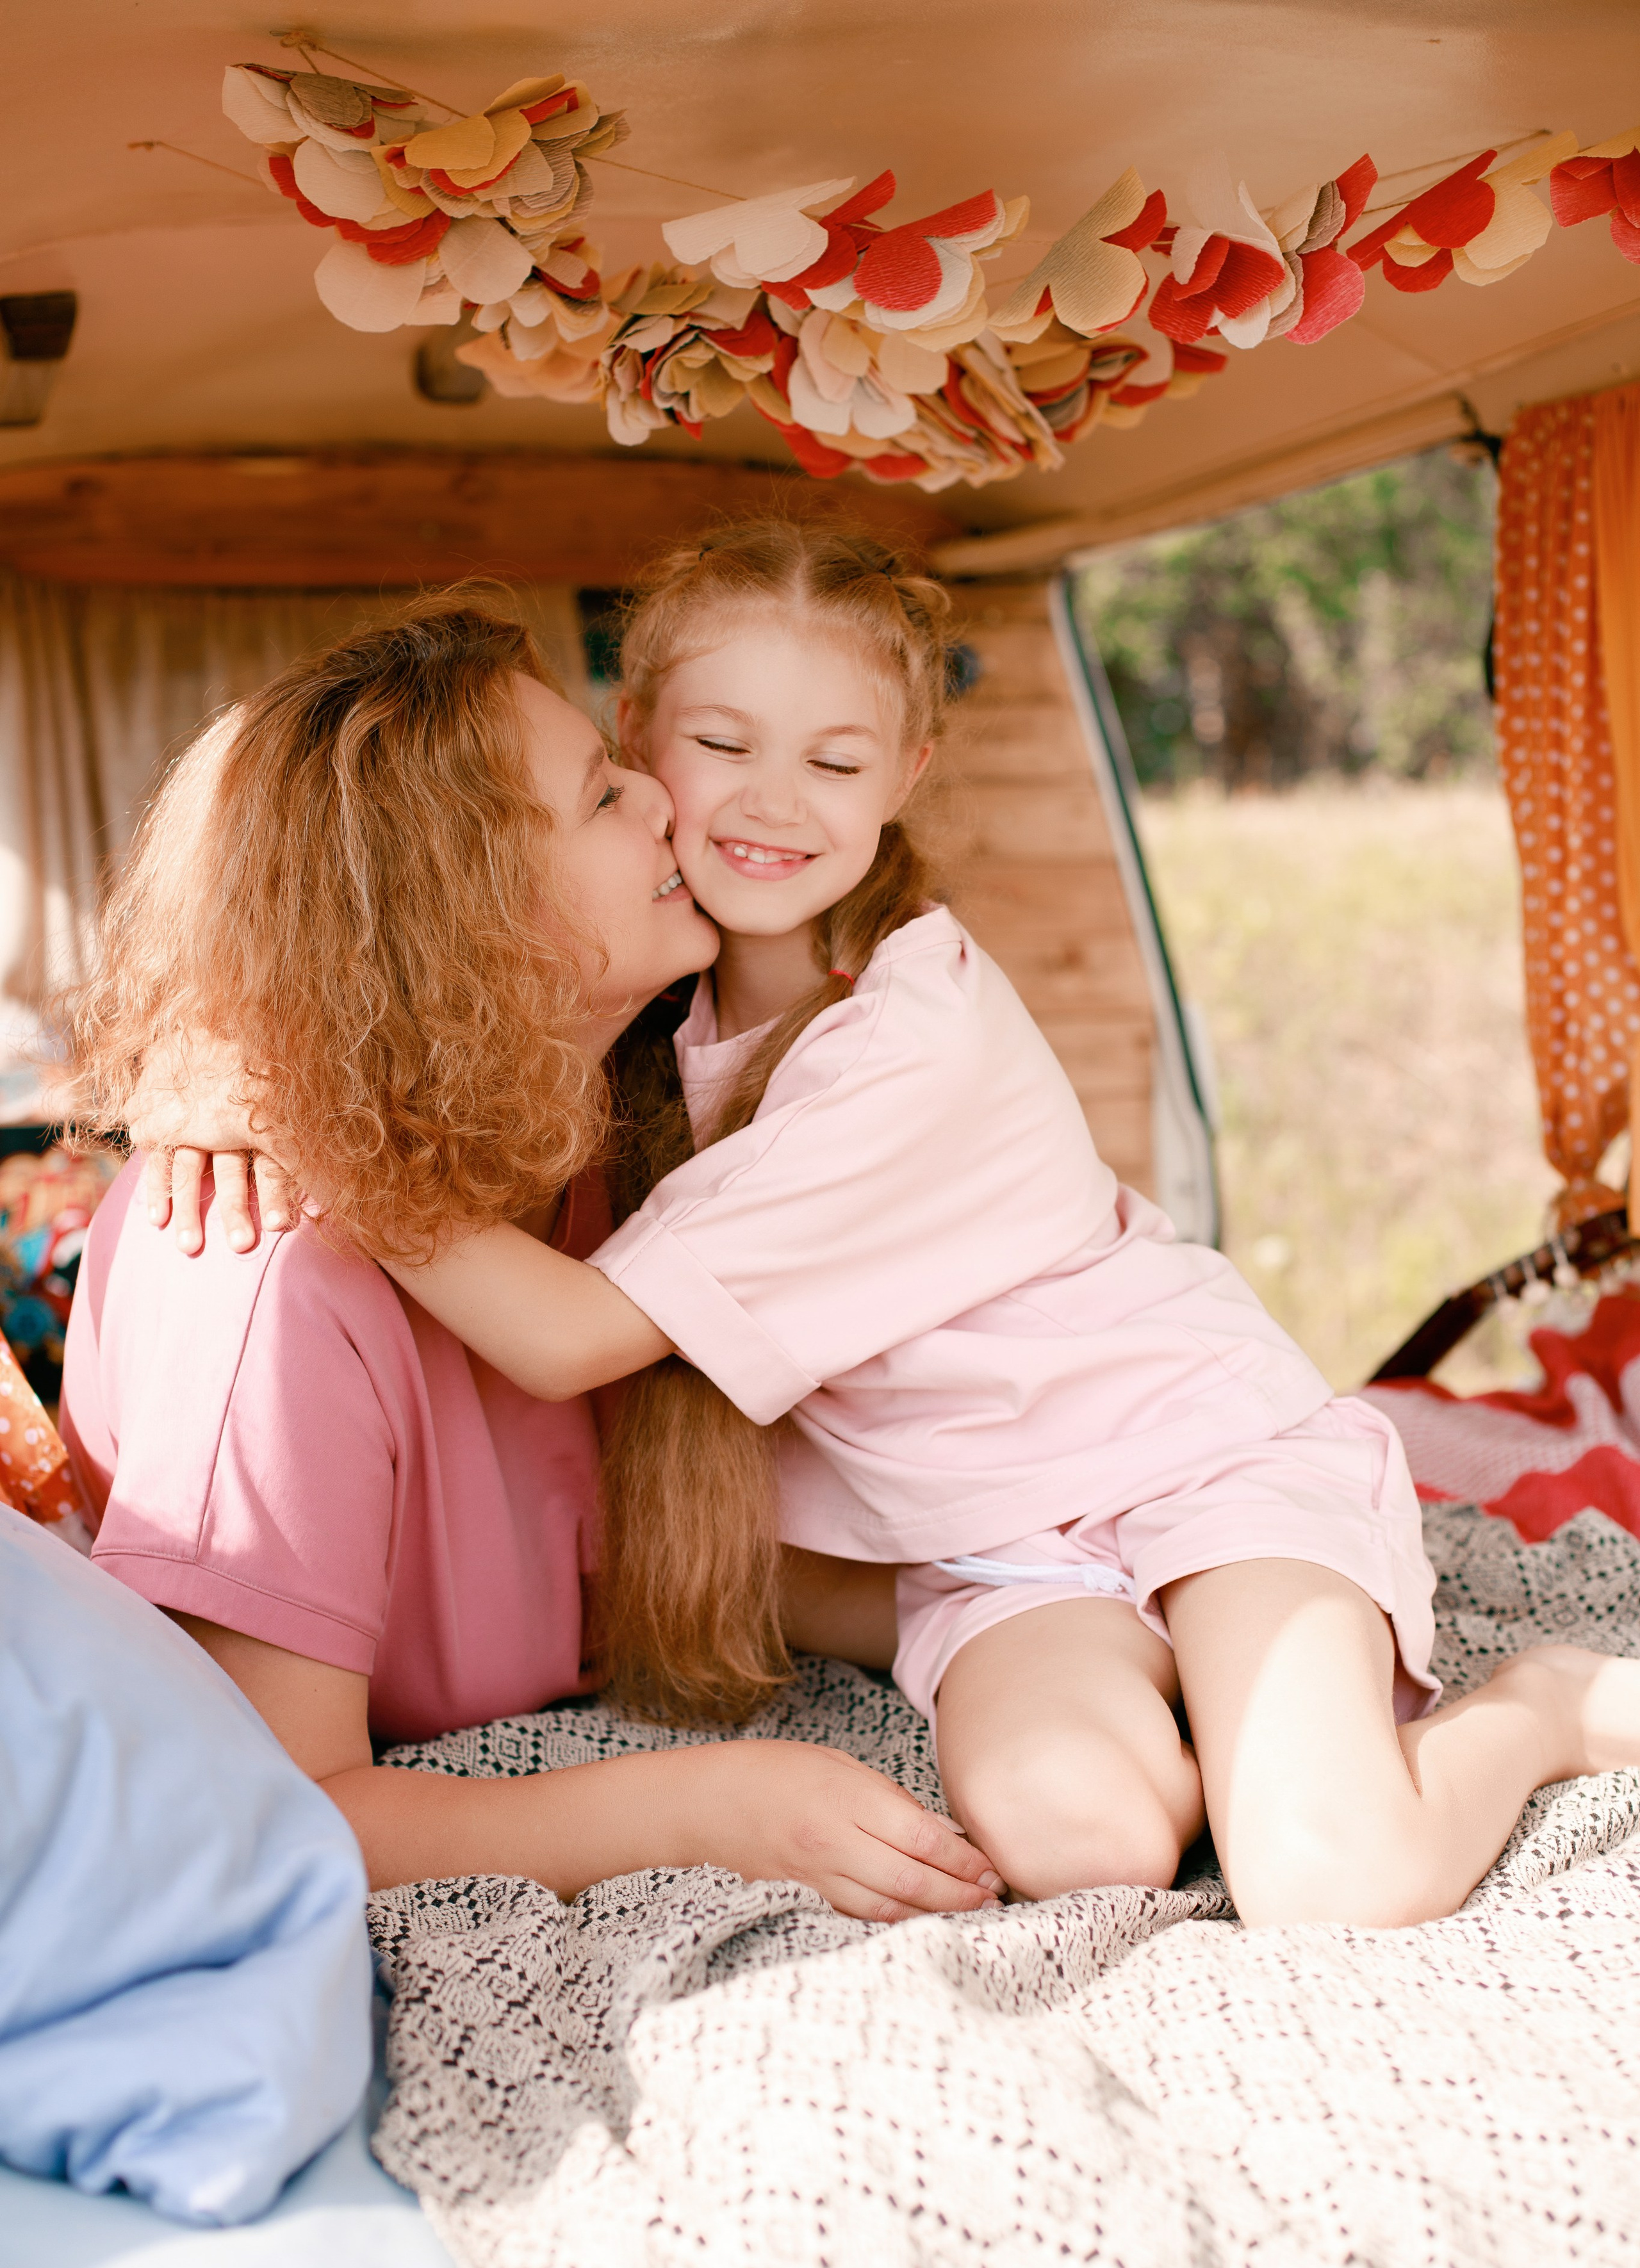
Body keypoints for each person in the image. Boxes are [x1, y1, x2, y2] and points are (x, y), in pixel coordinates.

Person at [136, 530, 1640, 1930]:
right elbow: (343, 936)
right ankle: (1196, 1692)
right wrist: (216, 1060)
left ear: (901, 775)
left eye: (831, 760)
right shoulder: (607, 1047)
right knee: (1084, 1841)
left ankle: (1537, 1707)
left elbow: (561, 1330)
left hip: (1187, 1456)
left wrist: (303, 1108)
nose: (710, 803)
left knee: (1331, 1880)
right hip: (993, 1545)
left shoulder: (878, 1043)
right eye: (646, 772)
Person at [62, 593, 1003, 1927]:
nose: (665, 800)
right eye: (603, 795)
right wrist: (712, 1812)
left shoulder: (635, 1124)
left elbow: (696, 1553)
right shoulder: (251, 1272)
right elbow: (264, 1810)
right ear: (465, 909)